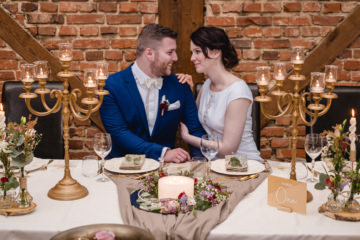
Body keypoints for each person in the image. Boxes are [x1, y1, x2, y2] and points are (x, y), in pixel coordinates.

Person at [100, 24, 205, 163]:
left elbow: (194, 129)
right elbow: (119, 132)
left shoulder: (181, 86)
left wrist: (199, 164)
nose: (176, 57)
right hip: (121, 167)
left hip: (165, 172)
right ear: (149, 53)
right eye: (170, 52)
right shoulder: (111, 85)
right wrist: (163, 153)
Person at [180, 26, 263, 162]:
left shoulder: (238, 91)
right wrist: (186, 91)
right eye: (192, 52)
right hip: (215, 165)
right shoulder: (207, 85)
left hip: (243, 165)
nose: (192, 58)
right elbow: (193, 120)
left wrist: (188, 138)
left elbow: (228, 149)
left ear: (215, 52)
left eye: (197, 52)